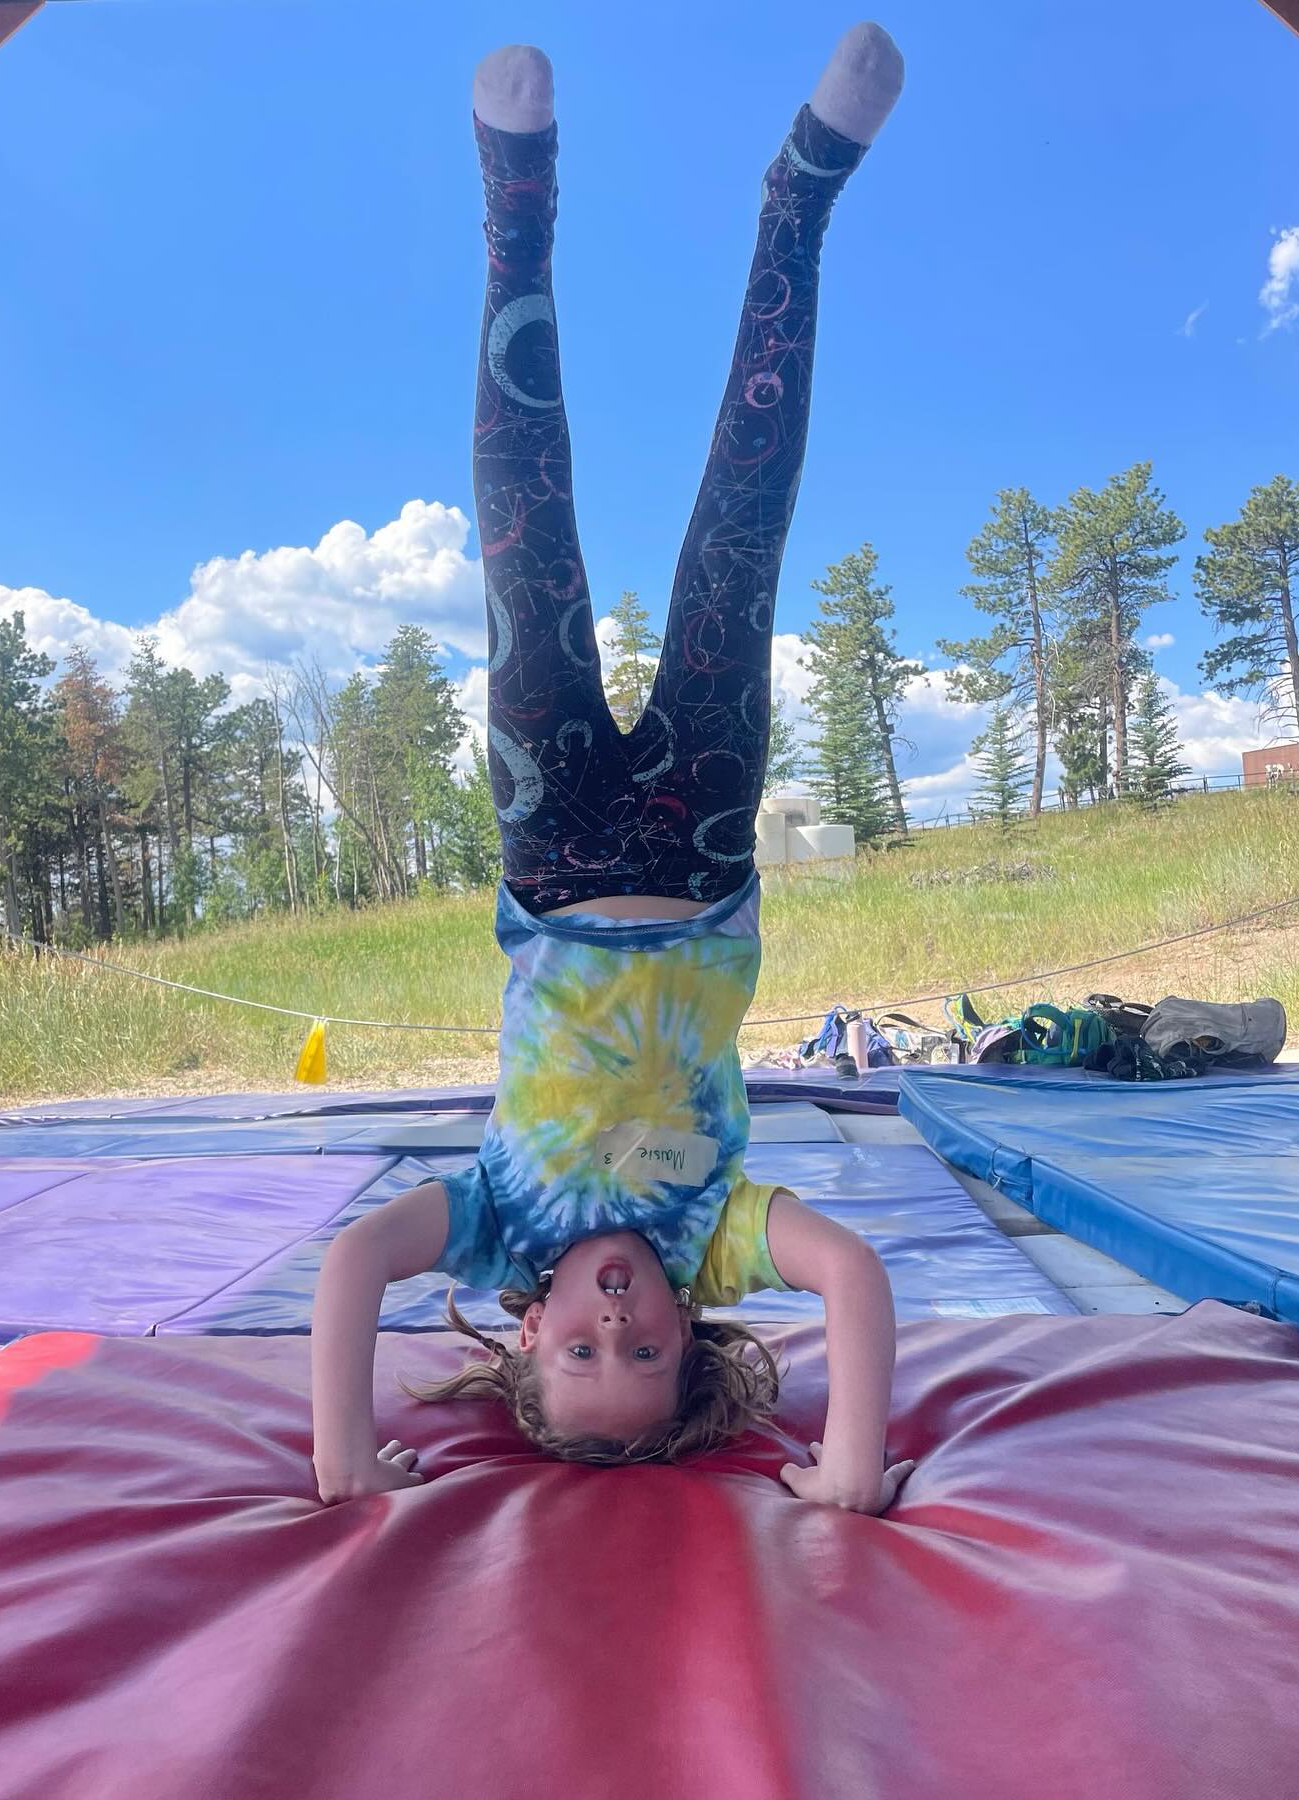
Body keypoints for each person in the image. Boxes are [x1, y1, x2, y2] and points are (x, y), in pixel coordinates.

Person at [312, 24, 913, 1513]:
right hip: (703, 853)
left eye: (579, 1352)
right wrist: (846, 1468)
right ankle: (803, 196)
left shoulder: (501, 1229)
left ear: (529, 1327)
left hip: (559, 849)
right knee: (744, 524)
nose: (615, 1322)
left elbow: (345, 1264)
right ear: (686, 1338)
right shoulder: (712, 1237)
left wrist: (340, 1453)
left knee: (524, 518)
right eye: (643, 1357)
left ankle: (516, 197)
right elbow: (850, 1273)